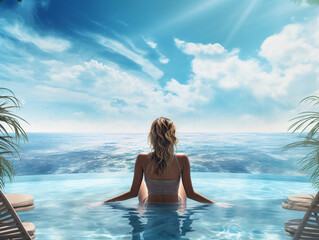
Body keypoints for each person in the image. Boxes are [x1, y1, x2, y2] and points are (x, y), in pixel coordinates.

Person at [103, 117, 215, 204]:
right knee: (182, 186)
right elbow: (191, 194)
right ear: (173, 137)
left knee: (141, 185)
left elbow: (133, 193)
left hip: (151, 205)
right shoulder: (182, 159)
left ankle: (140, 208)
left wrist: (105, 202)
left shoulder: (142, 158)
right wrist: (215, 204)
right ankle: (183, 207)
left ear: (152, 136)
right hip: (174, 205)